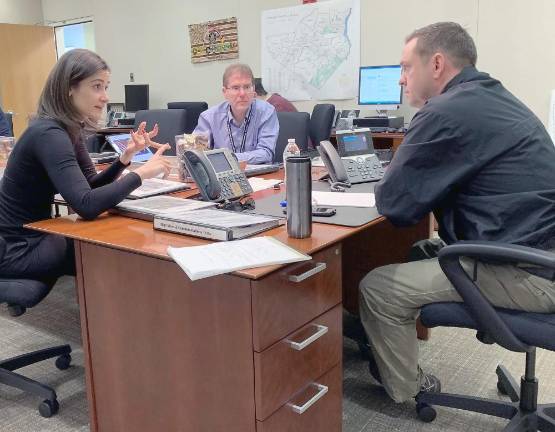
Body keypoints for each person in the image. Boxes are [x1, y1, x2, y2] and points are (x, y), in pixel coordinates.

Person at [356, 22, 555, 404]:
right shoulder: (493, 97)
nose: (400, 80)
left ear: (436, 64)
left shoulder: (445, 112)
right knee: (418, 251)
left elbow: (395, 205)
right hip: (538, 254)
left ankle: (409, 390)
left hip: (527, 271)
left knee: (377, 287)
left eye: (405, 67)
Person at [0, 49, 171, 281]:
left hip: (34, 234)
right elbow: (86, 205)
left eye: (106, 87)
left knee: (112, 245)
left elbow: (89, 186)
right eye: (96, 86)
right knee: (109, 250)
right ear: (70, 87)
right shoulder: (48, 133)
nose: (105, 97)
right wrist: (141, 174)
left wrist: (124, 160)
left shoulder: (69, 128)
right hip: (17, 248)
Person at [193, 64, 279, 164]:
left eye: (247, 87)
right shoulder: (209, 118)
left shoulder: (266, 112)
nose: (242, 93)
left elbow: (266, 153)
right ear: (225, 92)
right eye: (235, 88)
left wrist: (230, 159)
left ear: (253, 89)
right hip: (222, 177)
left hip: (259, 177)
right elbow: (197, 153)